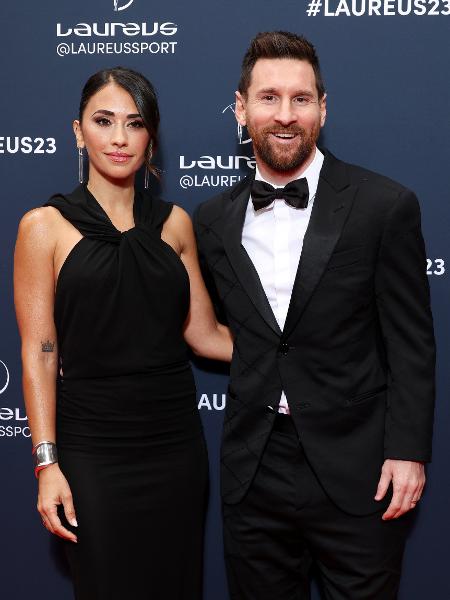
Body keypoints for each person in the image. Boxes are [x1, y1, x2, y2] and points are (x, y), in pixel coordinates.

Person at [193, 31, 435, 599]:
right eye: (268, 97)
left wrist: (409, 452)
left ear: (323, 108)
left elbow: (411, 343)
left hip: (360, 469)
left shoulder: (384, 205)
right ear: (241, 107)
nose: (285, 115)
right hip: (253, 473)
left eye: (301, 98)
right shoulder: (211, 220)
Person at [14, 66, 232, 600]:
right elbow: (40, 351)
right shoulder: (42, 227)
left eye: (134, 124)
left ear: (150, 136)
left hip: (176, 449)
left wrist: (301, 346)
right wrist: (47, 465)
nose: (118, 138)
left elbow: (205, 336)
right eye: (103, 121)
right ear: (77, 131)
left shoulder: (175, 223)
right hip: (93, 451)